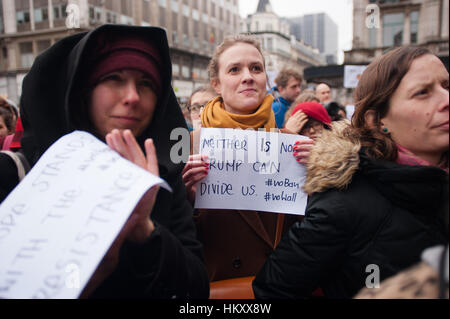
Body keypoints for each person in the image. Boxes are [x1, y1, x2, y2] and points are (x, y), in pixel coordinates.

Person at [0, 24, 209, 298]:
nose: (133, 96)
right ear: (81, 92)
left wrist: (145, 230)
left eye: (146, 84)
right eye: (114, 78)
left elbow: (195, 291)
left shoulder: (163, 176)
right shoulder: (14, 174)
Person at [253, 46, 448, 298]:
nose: (446, 100)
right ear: (376, 121)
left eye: (447, 86)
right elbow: (272, 290)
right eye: (422, 93)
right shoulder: (343, 205)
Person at [182, 35, 301, 287]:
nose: (248, 76)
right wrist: (187, 200)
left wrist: (316, 180)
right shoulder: (188, 145)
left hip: (277, 287)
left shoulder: (293, 145)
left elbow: (314, 231)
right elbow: (170, 237)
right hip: (217, 288)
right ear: (217, 83)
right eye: (235, 69)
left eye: (256, 68)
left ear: (265, 78)